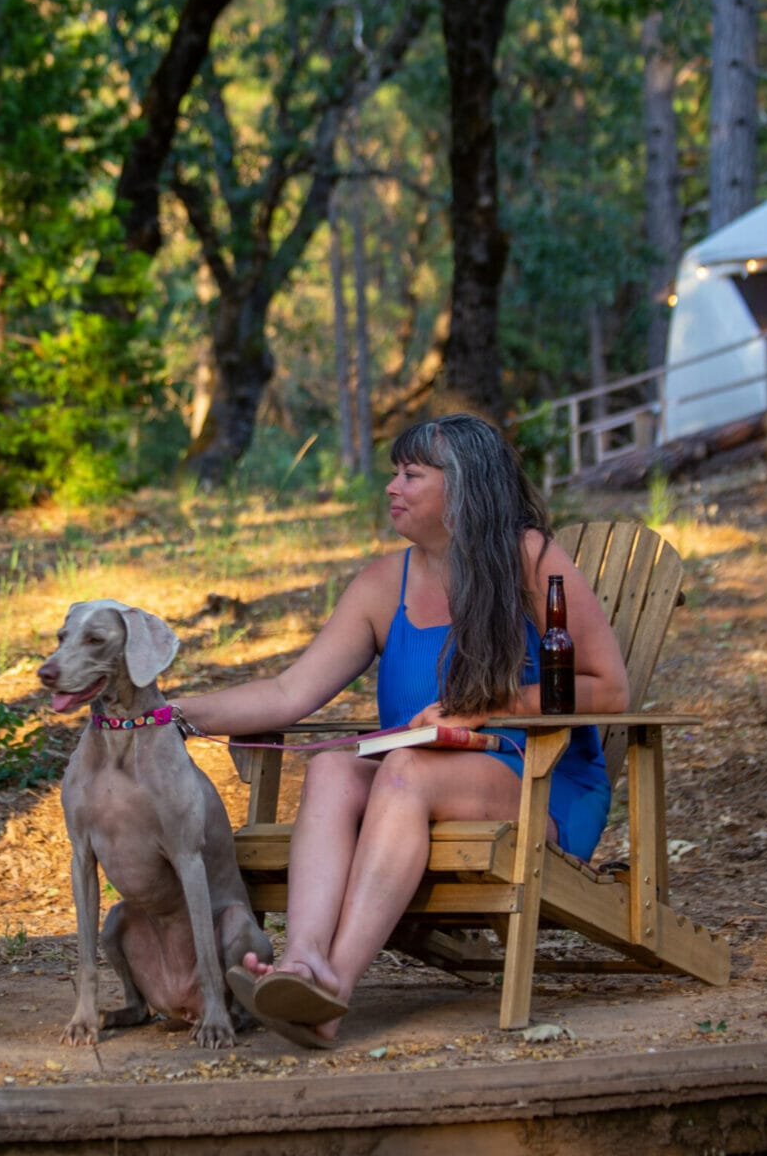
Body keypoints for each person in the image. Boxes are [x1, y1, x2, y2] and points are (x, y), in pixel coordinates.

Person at [172, 414, 628, 1048]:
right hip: (410, 782)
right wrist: (171, 713)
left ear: (464, 488)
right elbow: (287, 694)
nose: (393, 486)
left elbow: (609, 688)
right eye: (394, 472)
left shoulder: (530, 560)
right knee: (333, 766)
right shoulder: (382, 585)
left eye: (413, 474)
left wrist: (484, 705)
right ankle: (301, 960)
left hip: (540, 786)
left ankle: (332, 993)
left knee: (403, 772)